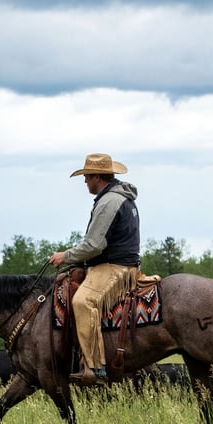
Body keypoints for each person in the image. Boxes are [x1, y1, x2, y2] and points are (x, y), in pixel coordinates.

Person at [49, 153, 141, 385]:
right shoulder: (119, 197)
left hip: (114, 268)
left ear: (98, 177)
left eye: (87, 177)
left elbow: (94, 245)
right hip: (119, 263)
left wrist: (65, 256)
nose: (85, 181)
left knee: (82, 302)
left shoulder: (109, 201)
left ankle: (94, 367)